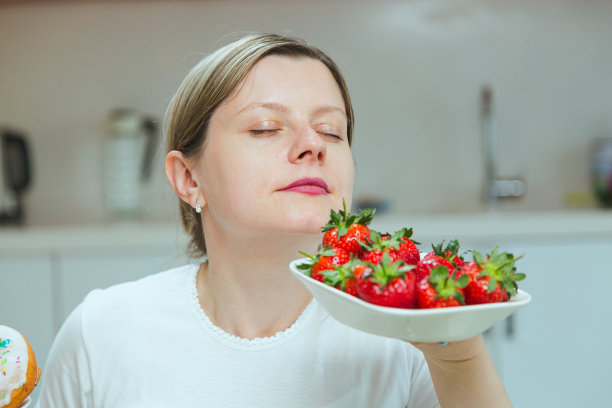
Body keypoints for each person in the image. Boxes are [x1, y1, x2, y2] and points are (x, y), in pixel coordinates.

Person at [36, 33, 512, 407]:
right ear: (188, 178)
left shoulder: (407, 334)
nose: (315, 145)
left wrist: (462, 356)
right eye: (265, 127)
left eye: (332, 130)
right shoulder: (101, 332)